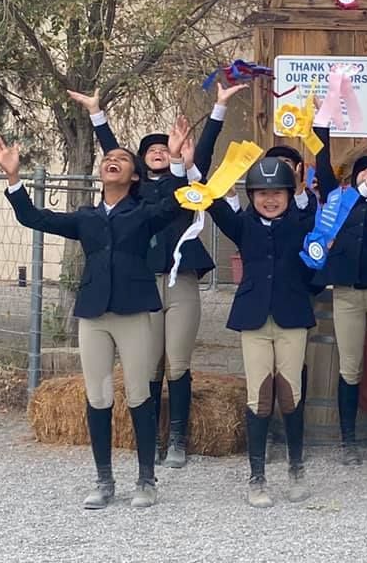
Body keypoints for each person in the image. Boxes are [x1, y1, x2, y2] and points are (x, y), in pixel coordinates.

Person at [0, 120, 190, 509]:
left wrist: (178, 160)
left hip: (133, 313)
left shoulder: (144, 212)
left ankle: (146, 479)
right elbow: (35, 218)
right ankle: (104, 479)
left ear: (134, 177)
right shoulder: (86, 217)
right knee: (97, 396)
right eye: (108, 158)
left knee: (138, 395)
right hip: (93, 314)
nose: (112, 160)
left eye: (121, 159)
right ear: (101, 172)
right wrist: (14, 178)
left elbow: (177, 202)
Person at [68, 81, 247, 468]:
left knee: (178, 362)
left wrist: (218, 108)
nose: (158, 153)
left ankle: (179, 438)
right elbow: (111, 153)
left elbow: (205, 152)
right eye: (150, 150)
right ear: (138, 164)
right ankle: (152, 436)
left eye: (164, 149)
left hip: (181, 281)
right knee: (146, 366)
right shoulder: (132, 195)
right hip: (144, 284)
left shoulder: (182, 188)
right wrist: (97, 115)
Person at [206, 157, 316, 508]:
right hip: (253, 316)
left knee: (291, 393)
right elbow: (213, 204)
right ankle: (257, 476)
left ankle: (296, 468)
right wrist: (194, 168)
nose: (270, 199)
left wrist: (305, 188)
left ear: (289, 193)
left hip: (292, 315)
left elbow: (314, 211)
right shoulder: (243, 226)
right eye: (263, 193)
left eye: (278, 193)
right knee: (260, 395)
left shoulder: (300, 223)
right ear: (251, 196)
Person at [312, 125, 367, 465]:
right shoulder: (340, 202)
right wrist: (321, 125)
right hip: (345, 293)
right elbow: (324, 169)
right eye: (365, 171)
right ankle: (349, 441)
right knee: (349, 367)